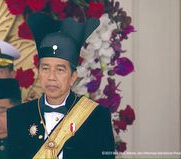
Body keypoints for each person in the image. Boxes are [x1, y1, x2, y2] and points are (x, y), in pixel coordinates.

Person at [7, 13, 115, 158]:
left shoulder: (97, 117)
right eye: (45, 68)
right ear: (38, 72)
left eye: (60, 69)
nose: (51, 77)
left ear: (73, 77)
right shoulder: (18, 116)